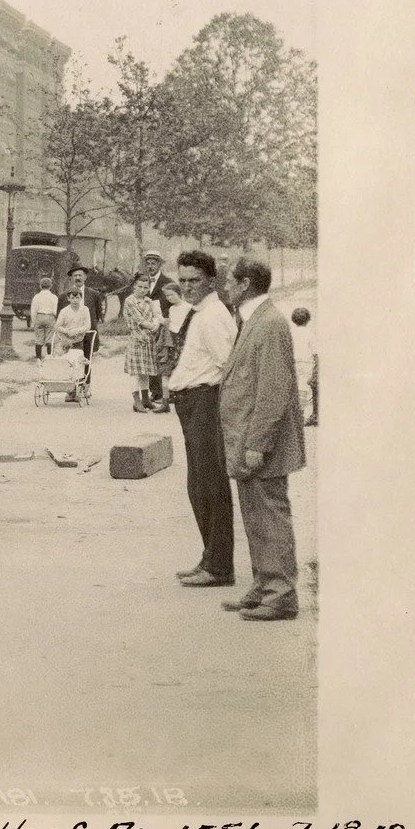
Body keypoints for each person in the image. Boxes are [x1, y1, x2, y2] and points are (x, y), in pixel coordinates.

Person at [217, 259, 306, 620]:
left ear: (246, 284)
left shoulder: (268, 323)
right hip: (248, 439)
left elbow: (274, 388)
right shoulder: (255, 318)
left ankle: (281, 594)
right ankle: (264, 584)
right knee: (256, 517)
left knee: (269, 516)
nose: (225, 286)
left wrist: (258, 444)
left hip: (259, 443)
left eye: (230, 281)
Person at [165, 250, 241, 589]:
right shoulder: (199, 312)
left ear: (210, 280)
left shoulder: (212, 316)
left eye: (194, 280)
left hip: (205, 403)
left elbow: (229, 368)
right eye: (182, 280)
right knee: (199, 485)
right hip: (192, 403)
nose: (187, 287)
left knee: (210, 485)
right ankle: (210, 558)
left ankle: (220, 566)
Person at [124, 271, 168, 413]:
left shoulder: (149, 301)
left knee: (146, 372)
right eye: (140, 287)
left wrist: (156, 322)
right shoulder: (130, 301)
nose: (143, 290)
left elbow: (157, 315)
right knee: (136, 372)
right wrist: (154, 325)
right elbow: (139, 320)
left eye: (145, 287)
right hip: (137, 338)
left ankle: (145, 399)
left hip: (148, 339)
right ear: (134, 287)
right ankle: (136, 401)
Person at [289, 306, 317, 426]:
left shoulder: (291, 332)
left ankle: (296, 414)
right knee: (304, 389)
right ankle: (302, 414)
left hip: (293, 362)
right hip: (306, 363)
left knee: (296, 387)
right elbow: (316, 352)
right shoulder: (310, 333)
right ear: (308, 319)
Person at [28, 274, 59, 361]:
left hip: (39, 316)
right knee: (49, 338)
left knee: (38, 339)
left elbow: (33, 310)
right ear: (51, 286)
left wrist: (34, 321)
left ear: (40, 286)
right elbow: (55, 310)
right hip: (50, 317)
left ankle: (38, 358)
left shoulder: (36, 297)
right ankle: (49, 358)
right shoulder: (54, 297)